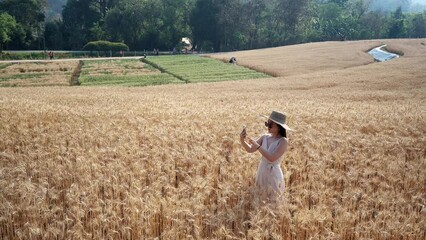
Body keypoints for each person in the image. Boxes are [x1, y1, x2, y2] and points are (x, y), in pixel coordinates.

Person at [240, 111, 292, 201]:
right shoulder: (265, 137)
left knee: (274, 198)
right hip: (262, 170)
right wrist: (242, 140)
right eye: (267, 123)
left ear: (279, 127)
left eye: (270, 125)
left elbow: (272, 158)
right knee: (261, 197)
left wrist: (258, 146)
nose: (267, 126)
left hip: (274, 173)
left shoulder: (283, 141)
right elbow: (250, 149)